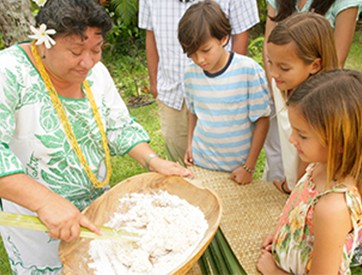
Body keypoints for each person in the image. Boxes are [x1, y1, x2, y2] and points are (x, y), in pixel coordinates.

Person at [0, 0, 191, 273]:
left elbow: (118, 125)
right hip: (40, 225)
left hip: (97, 213)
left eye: (96, 50)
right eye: (76, 51)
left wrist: (152, 160)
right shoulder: (8, 72)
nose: (87, 62)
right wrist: (45, 202)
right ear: (44, 42)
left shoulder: (94, 73)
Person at [256, 69, 362, 274]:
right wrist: (283, 237)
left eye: (302, 135)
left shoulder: (333, 208)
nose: (291, 139)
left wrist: (274, 272)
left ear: (339, 142)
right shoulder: (319, 165)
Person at [138, 0, 260, 160]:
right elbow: (151, 33)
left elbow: (241, 31)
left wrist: (233, 82)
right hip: (172, 92)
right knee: (180, 166)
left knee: (224, 164)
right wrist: (155, 83)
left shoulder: (250, 71)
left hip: (221, 96)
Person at [262, 0, 362, 192]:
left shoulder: (322, 107)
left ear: (315, 65)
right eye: (269, 62)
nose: (273, 73)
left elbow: (309, 163)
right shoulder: (286, 85)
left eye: (283, 67)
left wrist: (295, 188)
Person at [178, 0, 270, 185]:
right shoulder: (190, 74)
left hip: (236, 169)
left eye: (206, 50)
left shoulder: (248, 70)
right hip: (201, 164)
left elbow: (263, 120)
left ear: (223, 38)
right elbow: (193, 112)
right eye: (192, 54)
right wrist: (190, 145)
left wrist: (248, 167)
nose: (200, 59)